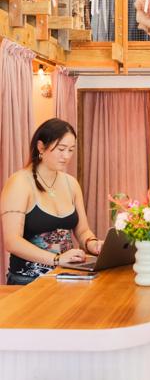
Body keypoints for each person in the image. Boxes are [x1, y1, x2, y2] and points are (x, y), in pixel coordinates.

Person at [1, 118, 104, 285]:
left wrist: (92, 244)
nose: (66, 156)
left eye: (71, 150)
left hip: (67, 275)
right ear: (41, 147)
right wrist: (56, 259)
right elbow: (12, 241)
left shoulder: (71, 184)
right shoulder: (19, 183)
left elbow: (83, 230)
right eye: (61, 149)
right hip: (28, 281)